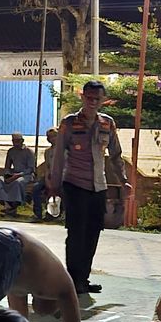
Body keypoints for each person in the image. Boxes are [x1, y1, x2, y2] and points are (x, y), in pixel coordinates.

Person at [46, 80, 131, 294]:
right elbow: (58, 157)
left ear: (103, 100)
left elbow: (116, 155)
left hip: (98, 187)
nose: (92, 102)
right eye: (89, 98)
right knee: (76, 234)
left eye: (97, 99)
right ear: (82, 97)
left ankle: (83, 279)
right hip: (75, 184)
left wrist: (123, 180)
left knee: (93, 233)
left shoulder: (107, 123)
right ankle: (73, 280)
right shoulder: (69, 123)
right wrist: (54, 186)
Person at [0, 133, 36, 216]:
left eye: (18, 141)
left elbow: (31, 169)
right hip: (14, 173)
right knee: (0, 180)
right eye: (14, 141)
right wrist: (7, 175)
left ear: (22, 141)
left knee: (17, 182)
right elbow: (7, 167)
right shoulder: (11, 151)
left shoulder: (29, 152)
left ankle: (14, 205)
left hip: (26, 175)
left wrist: (18, 175)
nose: (16, 143)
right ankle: (7, 205)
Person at [31, 126, 59, 220]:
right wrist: (47, 179)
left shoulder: (64, 150)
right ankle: (38, 213)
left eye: (54, 136)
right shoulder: (47, 151)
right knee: (36, 188)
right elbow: (47, 167)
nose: (52, 139)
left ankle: (56, 213)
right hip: (50, 176)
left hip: (61, 177)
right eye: (50, 137)